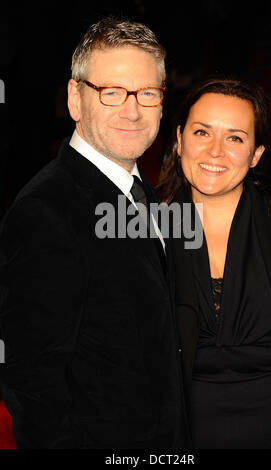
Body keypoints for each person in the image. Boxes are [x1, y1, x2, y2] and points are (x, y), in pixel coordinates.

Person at [0, 17, 187, 449]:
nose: (132, 109)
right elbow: (34, 387)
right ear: (75, 98)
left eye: (147, 93)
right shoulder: (46, 212)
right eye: (112, 92)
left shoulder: (143, 191)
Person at [158, 77, 271, 449]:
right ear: (179, 137)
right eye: (202, 132)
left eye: (235, 137)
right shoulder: (142, 232)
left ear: (256, 154)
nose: (215, 151)